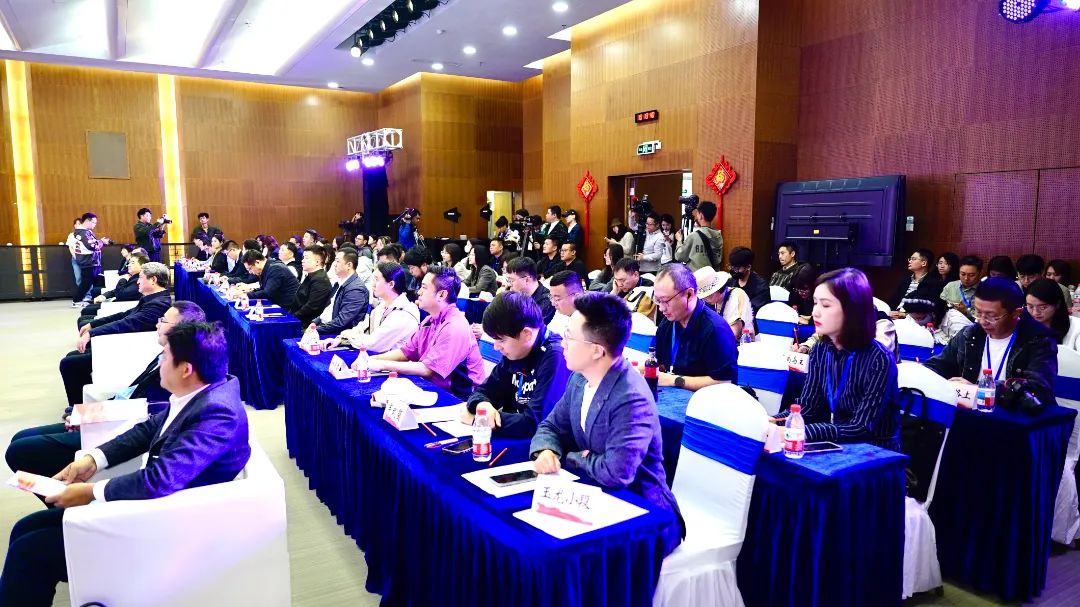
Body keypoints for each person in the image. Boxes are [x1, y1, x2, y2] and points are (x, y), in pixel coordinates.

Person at [0, 321, 250, 606]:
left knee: (29, 552)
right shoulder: (201, 394)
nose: (160, 362)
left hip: (167, 531)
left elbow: (159, 479)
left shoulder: (217, 413)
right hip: (153, 508)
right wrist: (92, 460)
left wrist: (90, 492)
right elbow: (147, 431)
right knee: (25, 528)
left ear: (185, 369)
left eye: (165, 357)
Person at [530, 292, 683, 556]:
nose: (562, 343)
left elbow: (616, 472)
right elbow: (551, 427)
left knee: (561, 556)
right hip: (594, 493)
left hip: (644, 512)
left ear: (597, 350)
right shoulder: (580, 378)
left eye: (570, 337)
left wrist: (569, 455)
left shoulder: (630, 397)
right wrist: (546, 450)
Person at [7, 302, 206, 480]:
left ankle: (61, 498)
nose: (157, 324)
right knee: (20, 439)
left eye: (163, 321)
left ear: (181, 329)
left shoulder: (181, 374)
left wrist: (92, 421)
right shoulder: (166, 354)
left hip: (115, 429)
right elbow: (132, 392)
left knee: (20, 450)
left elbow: (146, 419)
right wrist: (85, 414)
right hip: (111, 415)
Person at [773, 268, 901, 449]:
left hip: (875, 452)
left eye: (825, 305)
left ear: (852, 310)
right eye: (815, 303)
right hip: (839, 444)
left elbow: (861, 428)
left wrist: (800, 432)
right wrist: (774, 421)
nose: (815, 313)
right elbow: (808, 407)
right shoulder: (820, 349)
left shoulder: (879, 359)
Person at [924, 277, 1058, 407]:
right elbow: (938, 365)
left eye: (991, 316)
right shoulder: (969, 335)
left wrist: (979, 389)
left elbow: (1038, 389)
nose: (982, 321)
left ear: (1016, 313)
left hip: (1015, 416)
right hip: (971, 413)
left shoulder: (1038, 341)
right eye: (977, 312)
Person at [61, 262, 173, 406]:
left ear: (153, 280)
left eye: (141, 277)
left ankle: (78, 409)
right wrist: (93, 325)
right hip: (124, 341)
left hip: (131, 349)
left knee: (69, 363)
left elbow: (127, 323)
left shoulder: (158, 304)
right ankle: (80, 407)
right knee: (72, 358)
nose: (138, 281)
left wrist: (92, 332)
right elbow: (125, 315)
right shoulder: (153, 298)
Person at [462, 293, 570, 438]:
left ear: (527, 334)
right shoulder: (516, 350)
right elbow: (482, 392)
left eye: (501, 340)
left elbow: (536, 423)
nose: (496, 347)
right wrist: (483, 405)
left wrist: (479, 420)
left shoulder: (556, 356)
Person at [369, 268, 486, 399]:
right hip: (433, 386)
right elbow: (406, 352)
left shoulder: (455, 326)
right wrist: (372, 359)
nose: (419, 292)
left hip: (460, 397)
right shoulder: (429, 320)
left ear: (441, 295)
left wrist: (382, 365)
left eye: (424, 288)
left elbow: (428, 369)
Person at [651, 263, 738, 391]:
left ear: (689, 294)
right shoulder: (668, 323)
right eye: (658, 301)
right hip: (673, 396)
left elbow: (725, 382)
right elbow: (659, 362)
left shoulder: (715, 329)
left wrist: (675, 380)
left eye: (666, 300)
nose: (661, 308)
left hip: (707, 400)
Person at [339, 262, 420, 353]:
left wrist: (348, 335)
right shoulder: (382, 306)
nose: (373, 284)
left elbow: (373, 344)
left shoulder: (403, 315)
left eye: (377, 280)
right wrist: (341, 339)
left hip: (391, 361)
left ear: (391, 284)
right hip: (377, 357)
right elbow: (363, 327)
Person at [315, 249, 370, 335]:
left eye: (337, 261)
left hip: (338, 334)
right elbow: (329, 309)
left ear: (349, 265)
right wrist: (314, 323)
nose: (334, 264)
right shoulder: (340, 282)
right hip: (326, 327)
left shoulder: (356, 289)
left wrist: (316, 330)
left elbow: (342, 322)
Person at [695, 265, 754, 338]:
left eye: (708, 295)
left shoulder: (736, 295)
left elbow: (732, 334)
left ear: (718, 289)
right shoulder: (713, 301)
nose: (705, 299)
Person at [1026, 278, 1080, 351]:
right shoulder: (1022, 325)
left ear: (1057, 304)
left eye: (1042, 307)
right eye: (1030, 306)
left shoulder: (1076, 328)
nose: (1035, 312)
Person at [887, 248, 943, 318]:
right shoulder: (905, 281)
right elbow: (893, 301)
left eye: (913, 259)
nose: (910, 261)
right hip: (894, 314)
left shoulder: (934, 283)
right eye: (910, 259)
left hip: (914, 319)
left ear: (924, 263)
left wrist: (905, 315)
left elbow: (931, 309)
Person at [72, 212, 111, 308]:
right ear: (87, 221)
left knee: (93, 281)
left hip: (92, 261)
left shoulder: (86, 232)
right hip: (88, 262)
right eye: (94, 222)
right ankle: (76, 300)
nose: (95, 225)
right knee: (86, 283)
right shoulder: (82, 232)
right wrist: (101, 242)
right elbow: (91, 246)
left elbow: (93, 243)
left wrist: (100, 242)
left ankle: (94, 299)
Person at [288, 246, 332, 326]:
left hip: (307, 324)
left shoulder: (320, 280)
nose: (303, 261)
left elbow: (312, 306)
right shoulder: (312, 276)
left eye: (306, 258)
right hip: (299, 319)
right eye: (303, 258)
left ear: (317, 262)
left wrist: (292, 318)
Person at [674, 200, 724, 271]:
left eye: (697, 214)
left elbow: (680, 256)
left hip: (696, 275)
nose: (696, 216)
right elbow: (718, 260)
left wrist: (679, 240)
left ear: (701, 216)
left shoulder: (694, 236)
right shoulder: (718, 236)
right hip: (712, 275)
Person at [505, 256, 556, 323]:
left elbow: (531, 327)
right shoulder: (517, 296)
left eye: (511, 280)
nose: (509, 284)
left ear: (526, 280)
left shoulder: (547, 301)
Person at [726, 246, 770, 313]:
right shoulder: (730, 282)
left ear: (748, 267)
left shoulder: (761, 287)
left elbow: (751, 309)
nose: (734, 271)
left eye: (737, 268)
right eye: (732, 267)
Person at [548, 270, 583, 336]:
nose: (553, 303)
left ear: (577, 297)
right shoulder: (561, 312)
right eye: (551, 297)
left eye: (557, 299)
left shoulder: (590, 323)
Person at [66, 218, 83, 295]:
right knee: (78, 278)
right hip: (75, 258)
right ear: (74, 225)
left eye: (79, 223)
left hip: (86, 258)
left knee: (87, 278)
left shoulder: (86, 234)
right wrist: (76, 257)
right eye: (76, 224)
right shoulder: (71, 235)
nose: (77, 225)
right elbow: (70, 247)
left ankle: (88, 295)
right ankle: (82, 294)